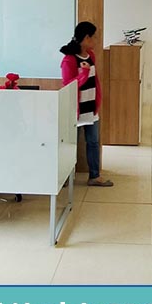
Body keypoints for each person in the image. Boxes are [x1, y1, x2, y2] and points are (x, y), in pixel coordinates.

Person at [60, 21, 113, 187]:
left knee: (93, 142)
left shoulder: (91, 55)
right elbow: (68, 85)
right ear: (86, 38)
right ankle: (65, 177)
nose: (96, 40)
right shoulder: (69, 60)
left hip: (91, 108)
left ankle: (94, 176)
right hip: (75, 109)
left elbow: (95, 80)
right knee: (71, 144)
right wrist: (83, 72)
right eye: (94, 37)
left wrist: (98, 100)